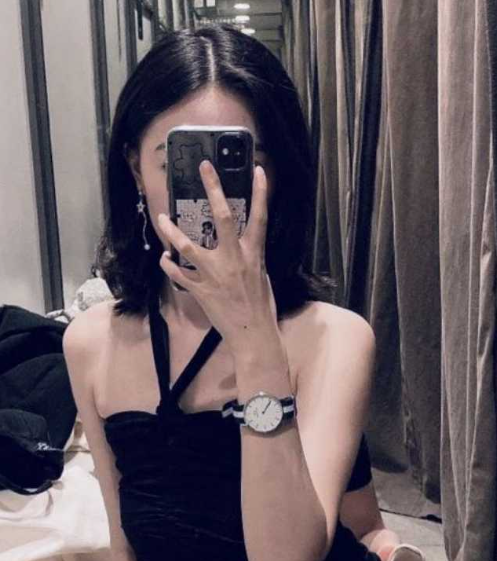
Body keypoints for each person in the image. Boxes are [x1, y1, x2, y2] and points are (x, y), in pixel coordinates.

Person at [63, 24, 423, 561]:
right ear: (136, 170)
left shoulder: (336, 337)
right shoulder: (90, 343)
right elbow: (125, 545)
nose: (214, 198)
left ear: (275, 174)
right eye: (181, 163)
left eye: (239, 163)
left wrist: (255, 341)